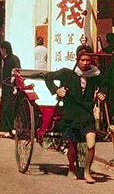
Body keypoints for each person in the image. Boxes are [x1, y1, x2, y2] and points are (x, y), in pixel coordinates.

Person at [45, 45, 106, 182]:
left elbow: (104, 84)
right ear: (77, 59)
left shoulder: (95, 74)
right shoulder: (67, 73)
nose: (85, 63)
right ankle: (71, 168)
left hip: (86, 114)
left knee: (91, 144)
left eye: (88, 60)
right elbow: (47, 77)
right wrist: (57, 90)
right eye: (82, 60)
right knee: (72, 145)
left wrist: (102, 93)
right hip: (70, 113)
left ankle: (86, 172)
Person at [0, 41, 21, 137]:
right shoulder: (6, 59)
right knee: (5, 108)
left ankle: (11, 129)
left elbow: (16, 72)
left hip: (12, 87)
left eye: (1, 50)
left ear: (4, 50)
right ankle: (8, 130)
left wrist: (14, 83)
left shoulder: (12, 59)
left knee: (9, 109)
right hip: (6, 87)